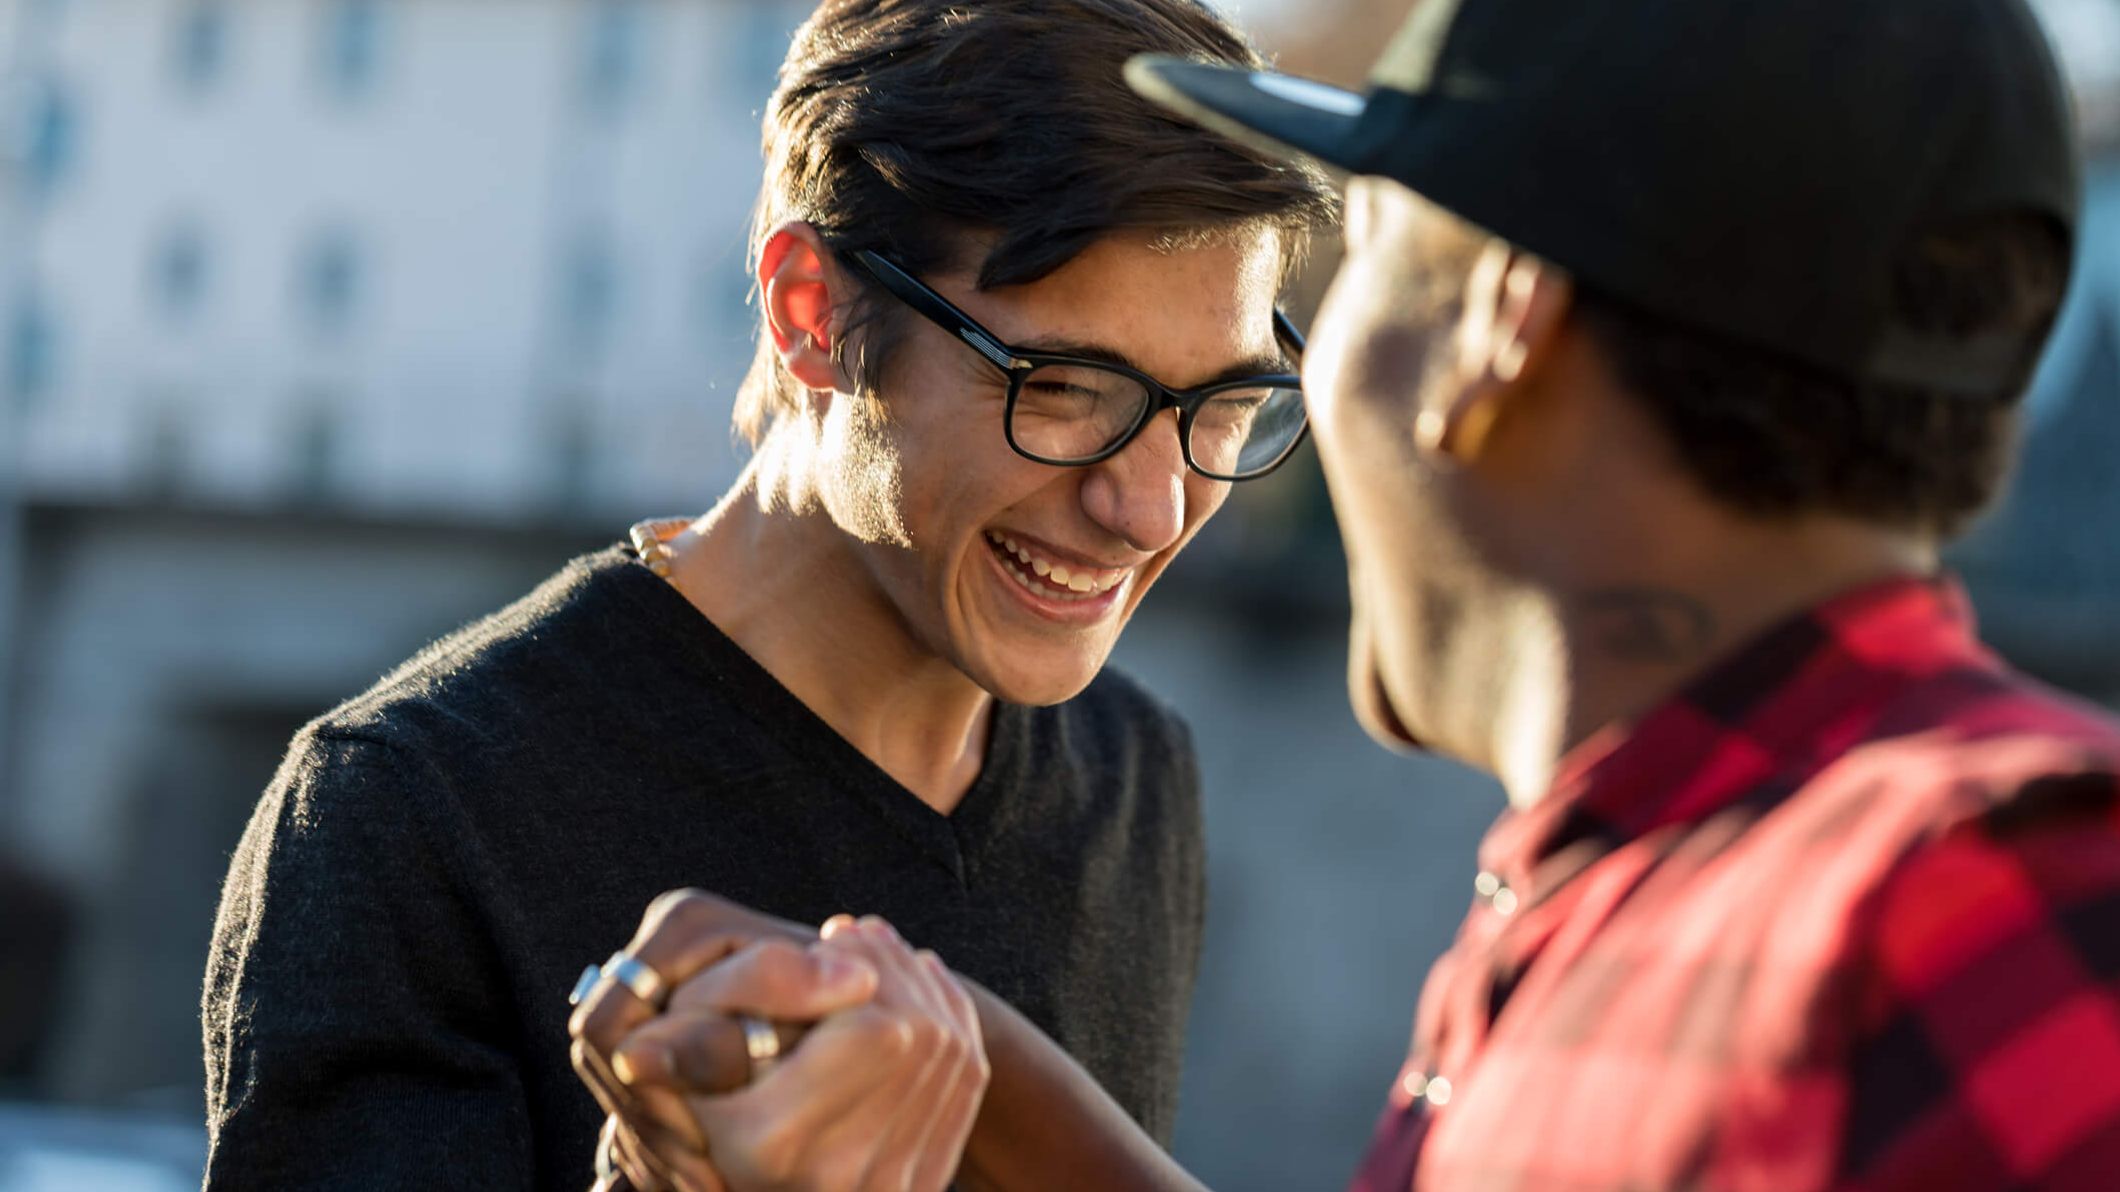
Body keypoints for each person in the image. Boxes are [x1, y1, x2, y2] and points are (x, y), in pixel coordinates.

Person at [574, 0, 2120, 1187]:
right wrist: (973, 1069)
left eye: (1364, 247)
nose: (1157, 490)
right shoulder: (1650, 896)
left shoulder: (2006, 898)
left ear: (1499, 324)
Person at [198, 0, 1335, 1185]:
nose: (1149, 508)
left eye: (1223, 406)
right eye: (1064, 389)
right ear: (812, 313)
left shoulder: (1134, 772)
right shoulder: (411, 811)